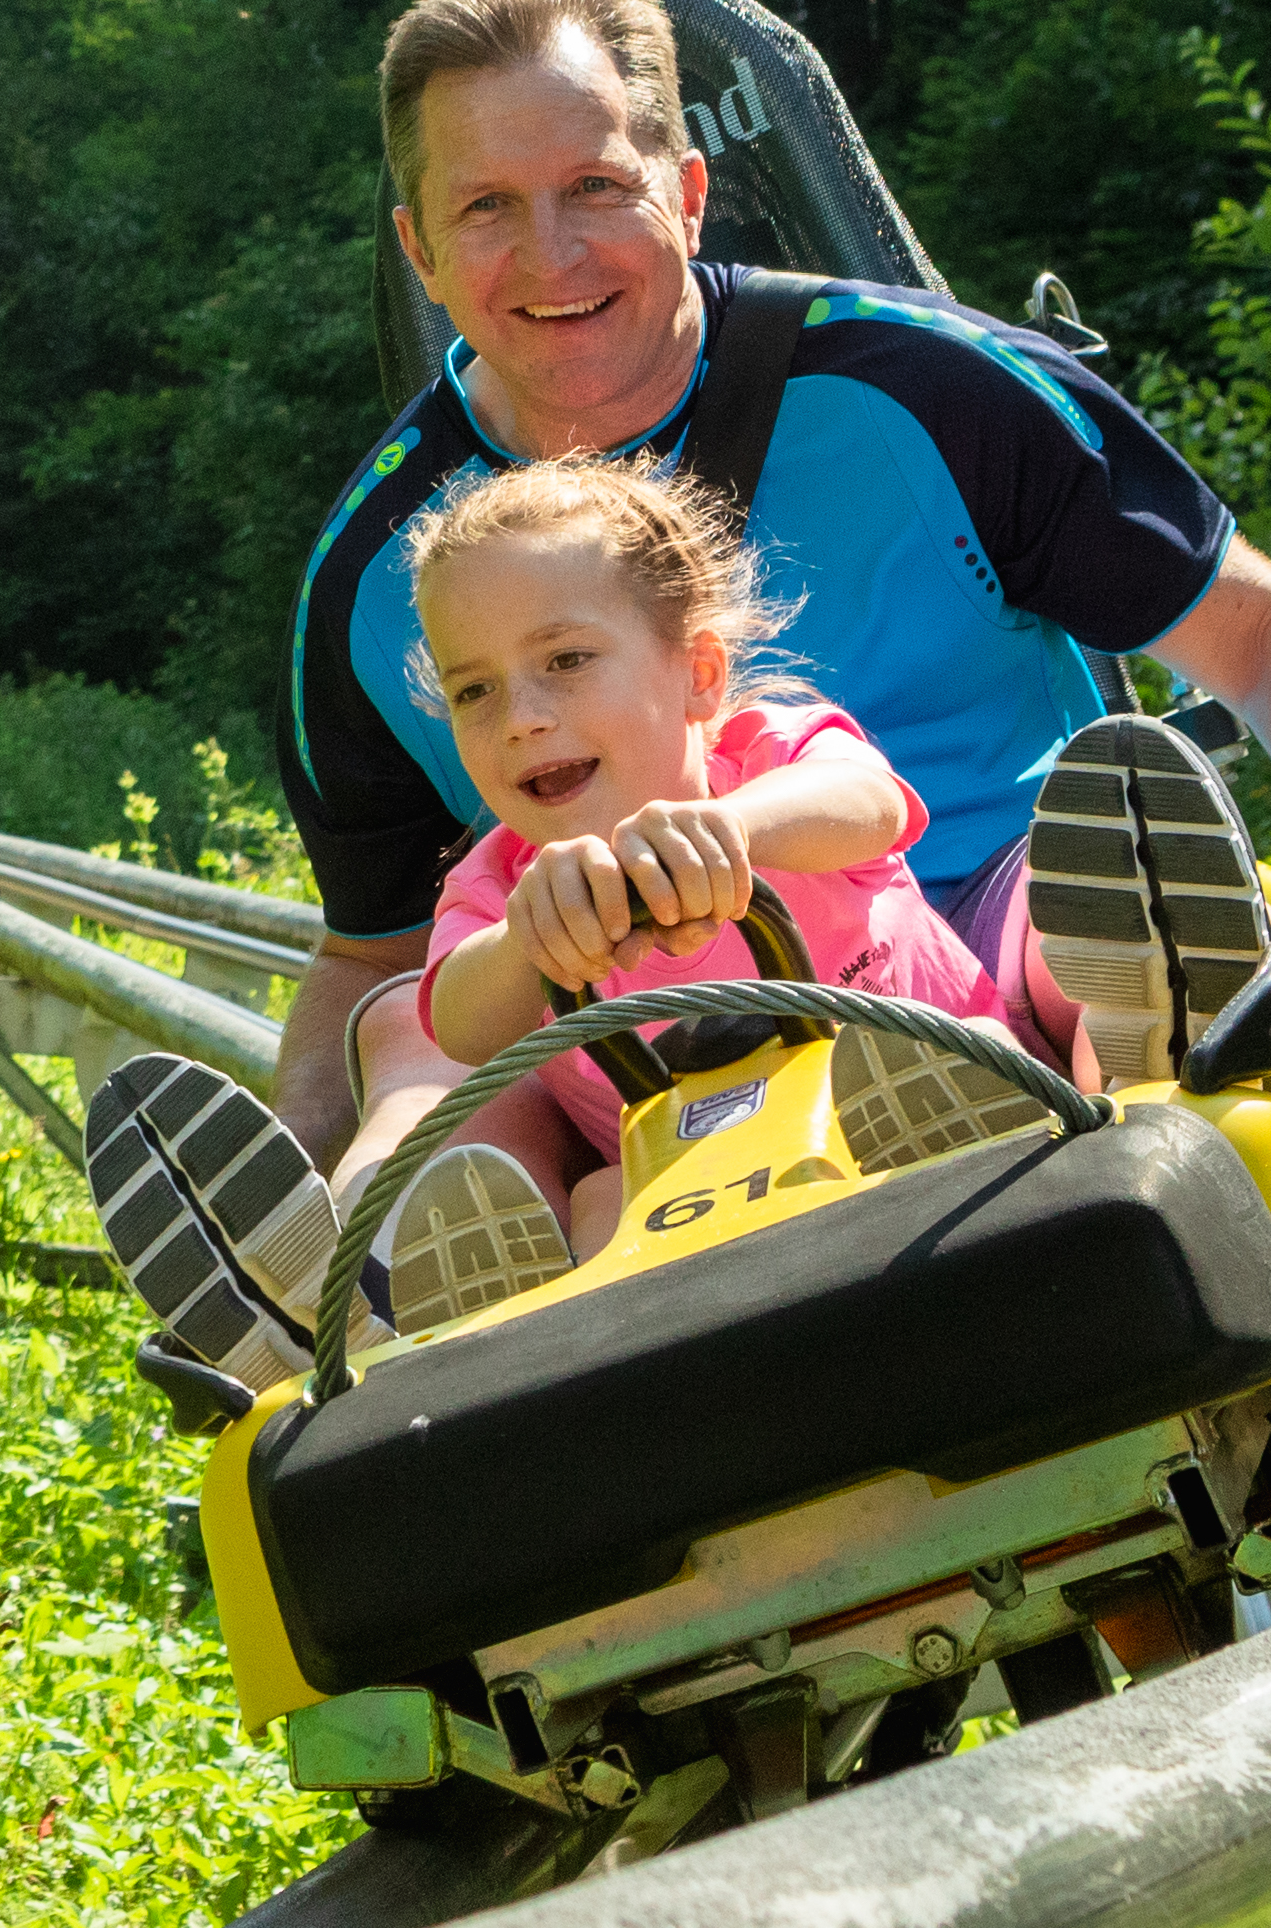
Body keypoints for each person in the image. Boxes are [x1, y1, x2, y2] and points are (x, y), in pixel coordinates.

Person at [270, 0, 1271, 1175]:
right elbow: (371, 952)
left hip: (994, 941)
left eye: (596, 186)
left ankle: (1166, 1165)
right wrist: (315, 1128)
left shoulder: (934, 388)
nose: (552, 254)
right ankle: (340, 1280)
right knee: (413, 1027)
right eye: (488, 207)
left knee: (1103, 894)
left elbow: (1254, 627)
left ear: (689, 190)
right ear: (420, 249)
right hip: (645, 1050)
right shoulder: (372, 578)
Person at [343, 450, 1028, 1336]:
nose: (520, 717)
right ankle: (476, 1321)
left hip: (916, 1083)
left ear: (700, 675)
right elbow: (463, 1023)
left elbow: (870, 804)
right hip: (692, 1193)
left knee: (967, 1036)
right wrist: (528, 939)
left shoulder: (771, 761)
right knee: (596, 1201)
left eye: (567, 659)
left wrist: (736, 829)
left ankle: (1136, 1040)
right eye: (473, 690)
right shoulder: (507, 881)